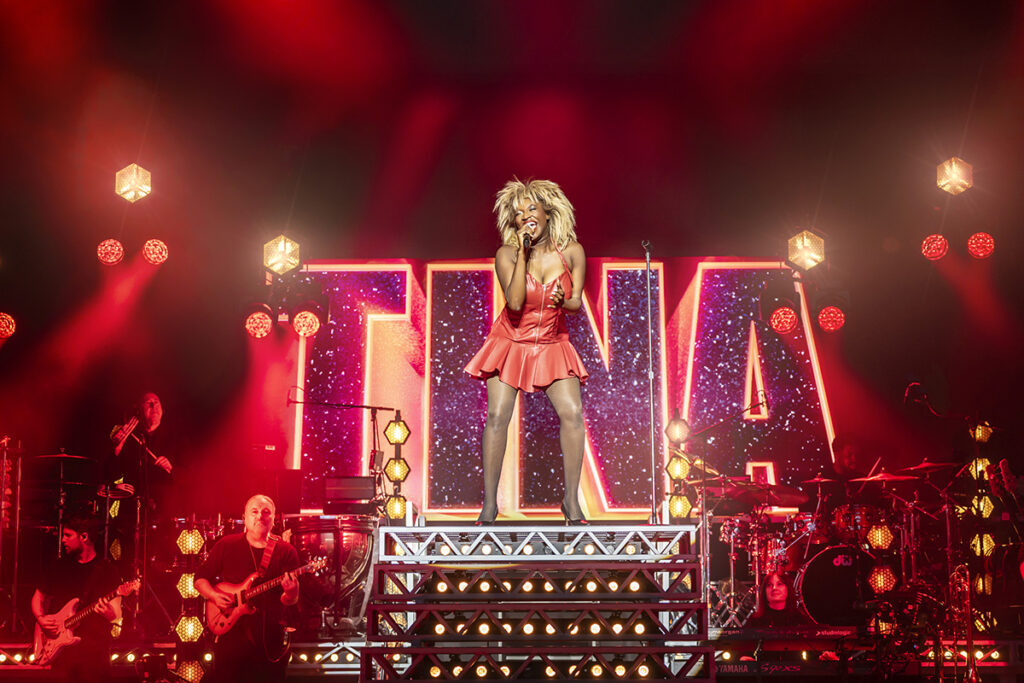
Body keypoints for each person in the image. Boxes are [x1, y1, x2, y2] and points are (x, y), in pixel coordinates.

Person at [464, 179, 589, 524]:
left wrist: (568, 300)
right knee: (496, 417)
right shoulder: (506, 254)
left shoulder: (573, 251)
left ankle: (571, 501)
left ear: (548, 212)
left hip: (552, 341)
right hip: (511, 341)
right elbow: (516, 302)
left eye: (532, 208)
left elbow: (576, 300)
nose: (526, 217)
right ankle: (490, 505)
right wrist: (521, 252)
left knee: (573, 414)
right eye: (518, 214)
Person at [194, 494, 300, 683]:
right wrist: (214, 596)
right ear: (245, 518)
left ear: (273, 518)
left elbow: (289, 600)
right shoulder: (227, 545)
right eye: (255, 511)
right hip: (231, 638)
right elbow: (199, 579)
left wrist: (291, 592)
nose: (260, 516)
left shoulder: (286, 551)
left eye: (266, 512)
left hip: (269, 639)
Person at [31, 515, 123, 683]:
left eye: (67, 535)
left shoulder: (107, 570)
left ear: (84, 537)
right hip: (62, 655)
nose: (63, 540)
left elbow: (116, 614)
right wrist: (41, 619)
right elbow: (38, 597)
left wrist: (107, 613)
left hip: (94, 656)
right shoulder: (58, 567)